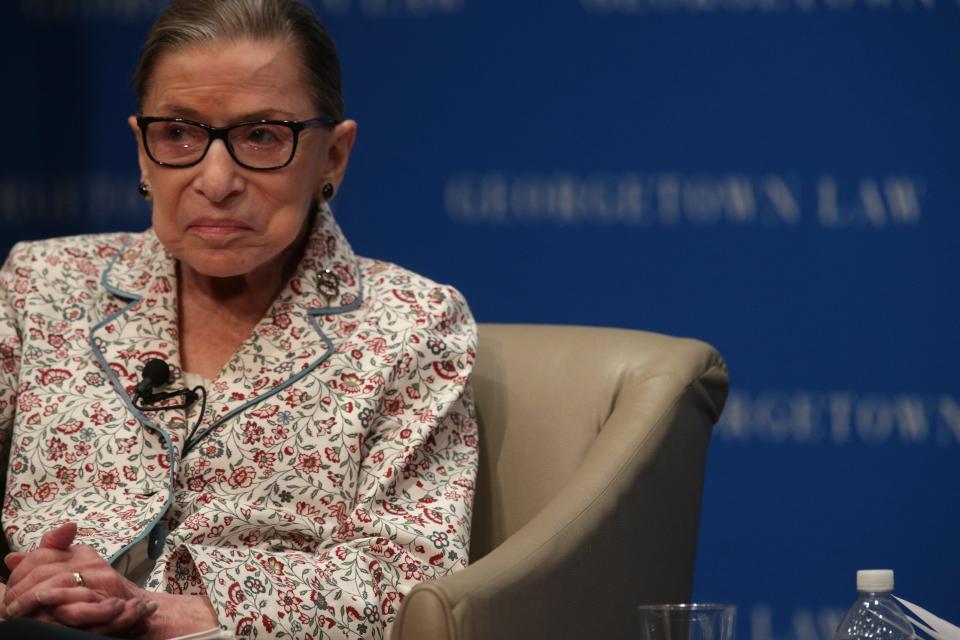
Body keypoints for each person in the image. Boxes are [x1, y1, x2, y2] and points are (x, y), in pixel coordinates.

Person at [0, 0, 478, 638]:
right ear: (143, 150)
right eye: (178, 133)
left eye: (261, 136)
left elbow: (414, 577)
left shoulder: (413, 323)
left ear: (333, 156)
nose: (216, 179)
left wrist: (162, 611)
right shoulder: (44, 283)